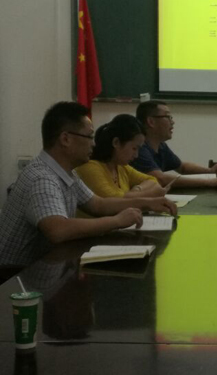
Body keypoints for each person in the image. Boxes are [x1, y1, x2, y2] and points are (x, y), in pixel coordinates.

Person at [0, 102, 177, 267]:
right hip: (15, 277)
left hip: (45, 266)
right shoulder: (42, 178)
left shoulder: (66, 172)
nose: (93, 143)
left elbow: (98, 204)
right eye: (89, 136)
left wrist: (148, 203)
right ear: (65, 139)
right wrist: (116, 221)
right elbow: (58, 230)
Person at [132, 100, 217, 190]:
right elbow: (160, 179)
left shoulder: (161, 146)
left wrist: (209, 171)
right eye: (167, 117)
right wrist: (208, 182)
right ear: (151, 121)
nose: (173, 122)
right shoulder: (138, 148)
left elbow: (182, 167)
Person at [76, 114, 167, 198]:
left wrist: (137, 190)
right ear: (116, 142)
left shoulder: (121, 168)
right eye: (134, 148)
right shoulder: (90, 168)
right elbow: (114, 200)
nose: (136, 155)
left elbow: (152, 180)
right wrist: (150, 194)